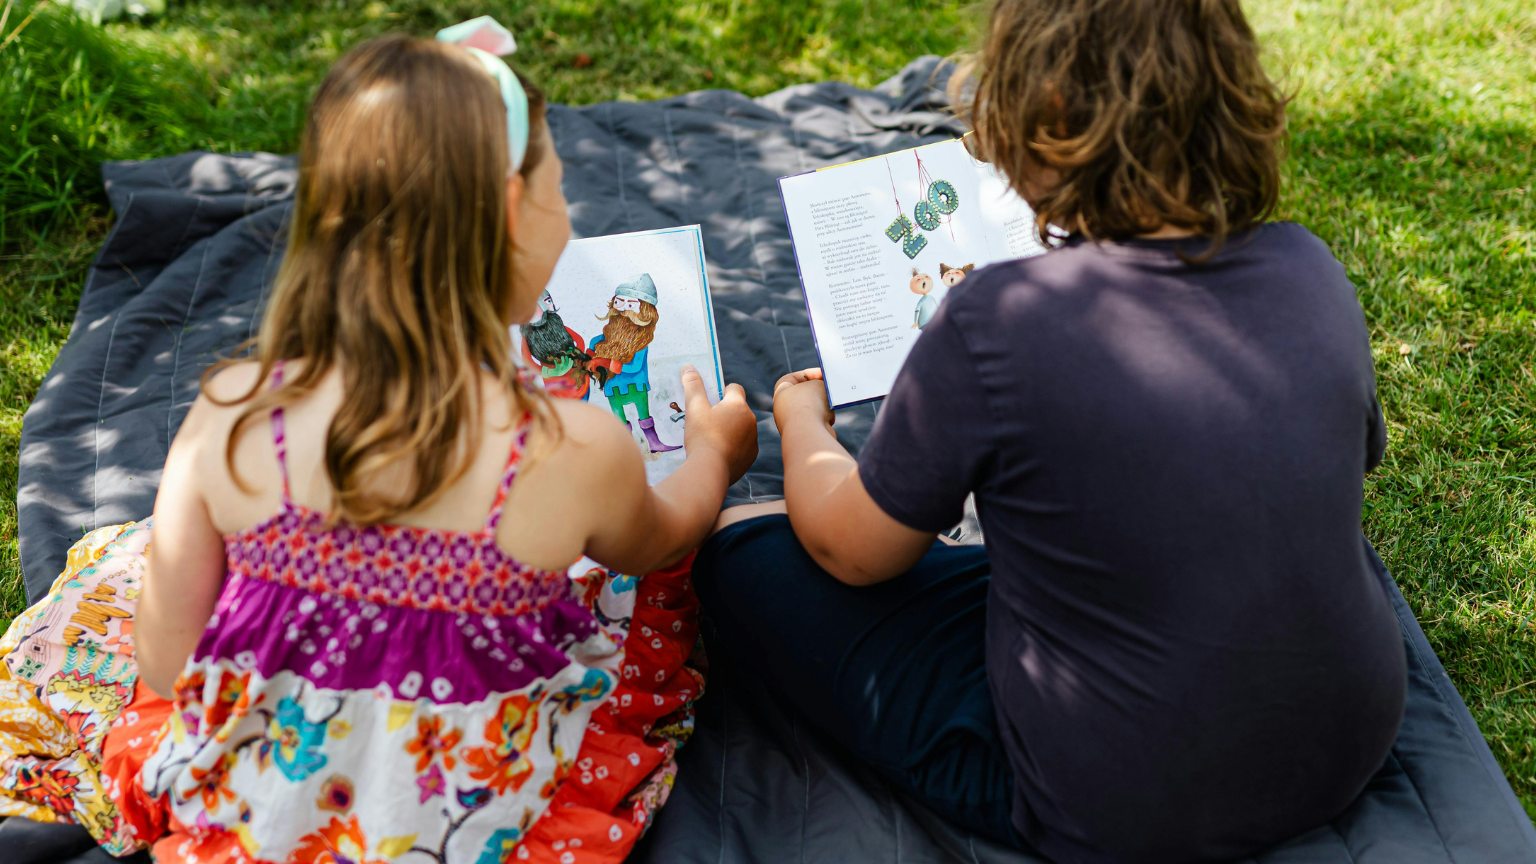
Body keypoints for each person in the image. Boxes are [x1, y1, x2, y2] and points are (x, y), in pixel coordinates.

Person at [0, 25, 757, 864]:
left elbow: (168, 659)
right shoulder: (573, 448)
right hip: (477, 821)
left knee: (127, 569)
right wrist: (714, 455)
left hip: (258, 819)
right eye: (559, 189)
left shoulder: (231, 414)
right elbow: (665, 535)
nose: (568, 212)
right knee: (637, 596)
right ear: (510, 212)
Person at [694, 1, 1406, 862]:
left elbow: (855, 551)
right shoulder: (1309, 267)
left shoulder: (1000, 316)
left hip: (1110, 797)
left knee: (741, 546)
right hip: (1346, 738)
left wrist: (803, 427)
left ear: (1037, 123)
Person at [587, 273, 682, 453]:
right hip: (612, 385)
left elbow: (634, 367)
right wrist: (590, 354)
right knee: (619, 419)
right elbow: (591, 352)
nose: (623, 309)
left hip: (636, 385)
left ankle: (653, 443)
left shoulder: (641, 343)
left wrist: (604, 361)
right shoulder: (601, 340)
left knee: (643, 414)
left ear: (645, 312)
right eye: (619, 302)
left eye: (631, 305)